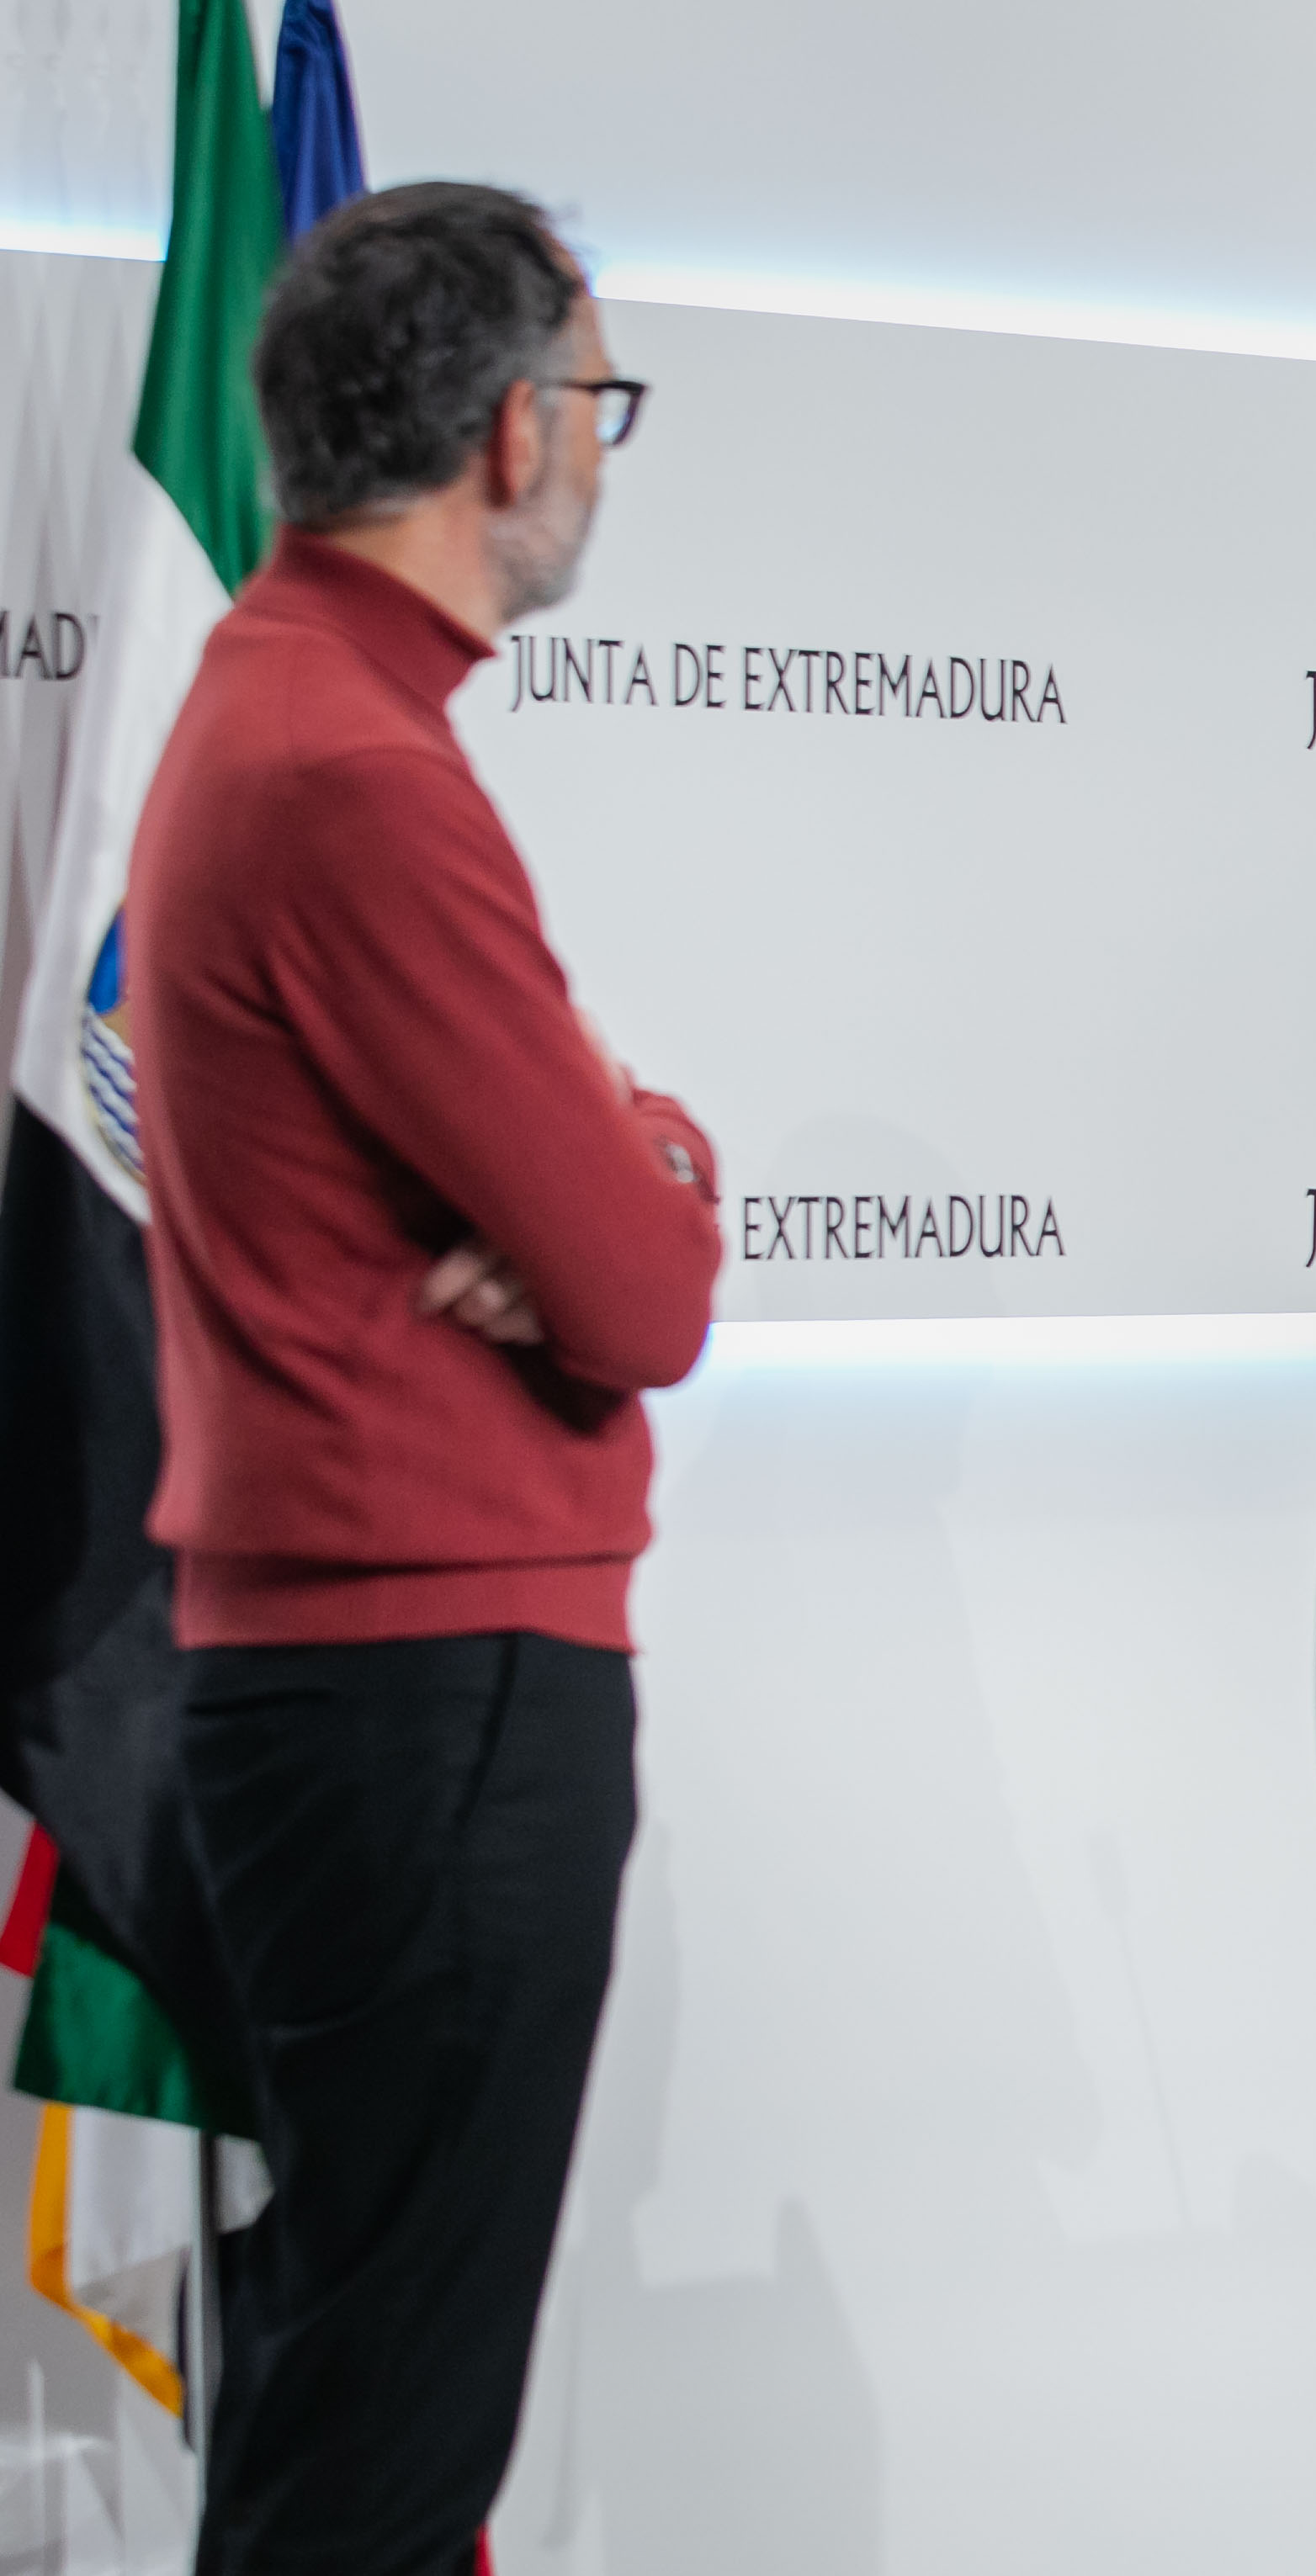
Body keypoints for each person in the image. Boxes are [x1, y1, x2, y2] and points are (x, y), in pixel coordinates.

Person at [127, 183, 718, 2576]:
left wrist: (627, 1147)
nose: (601, 452)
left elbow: (604, 1185)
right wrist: (632, 1169)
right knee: (383, 2446)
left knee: (354, 2395)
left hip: (373, 1683)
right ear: (509, 429)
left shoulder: (303, 713)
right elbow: (646, 1289)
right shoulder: (353, 766)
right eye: (599, 406)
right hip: (430, 1685)